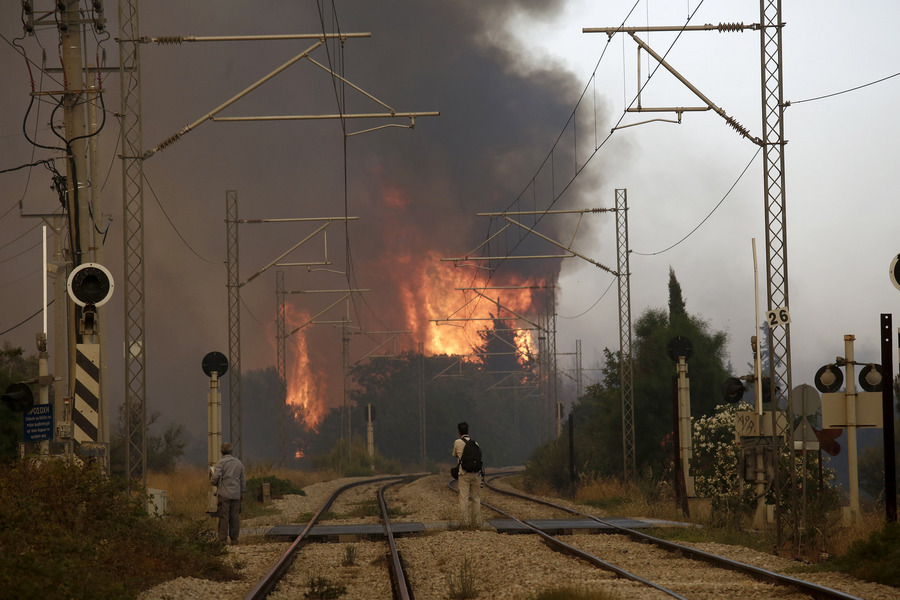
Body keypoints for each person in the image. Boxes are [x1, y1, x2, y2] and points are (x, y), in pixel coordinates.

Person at [209, 442, 246, 545]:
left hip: (224, 495)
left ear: (221, 451)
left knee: (224, 517)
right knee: (234, 517)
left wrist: (213, 481)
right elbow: (243, 480)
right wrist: (242, 493)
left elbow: (215, 477)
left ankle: (223, 540)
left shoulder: (221, 463)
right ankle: (234, 540)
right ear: (231, 451)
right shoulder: (239, 463)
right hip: (236, 495)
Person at [452, 421, 482, 528]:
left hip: (464, 473)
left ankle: (465, 522)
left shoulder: (457, 442)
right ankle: (476, 522)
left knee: (464, 497)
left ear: (459, 432)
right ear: (468, 431)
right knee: (476, 497)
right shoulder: (476, 444)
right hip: (476, 474)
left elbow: (454, 454)